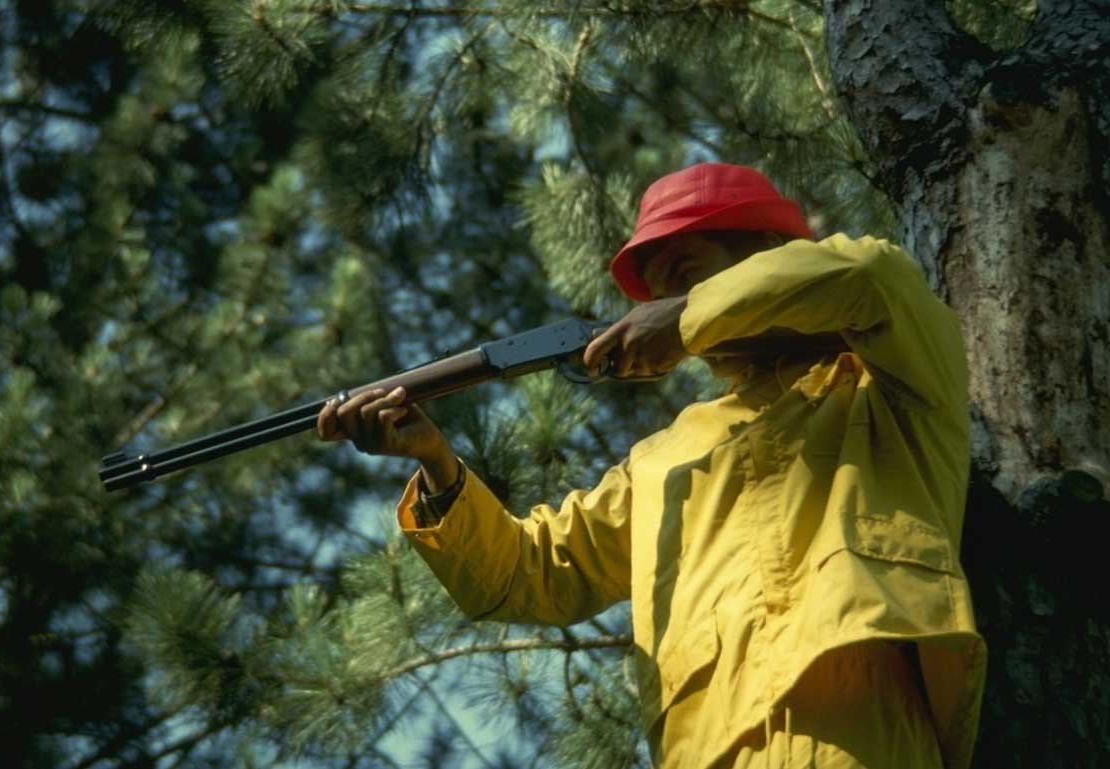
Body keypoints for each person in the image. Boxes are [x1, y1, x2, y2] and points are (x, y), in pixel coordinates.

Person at [316, 163, 986, 769]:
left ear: (771, 256)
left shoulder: (884, 374)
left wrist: (692, 313)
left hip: (858, 733)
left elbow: (868, 277)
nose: (664, 303)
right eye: (660, 292)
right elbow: (531, 571)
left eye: (689, 272)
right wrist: (435, 461)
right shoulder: (666, 455)